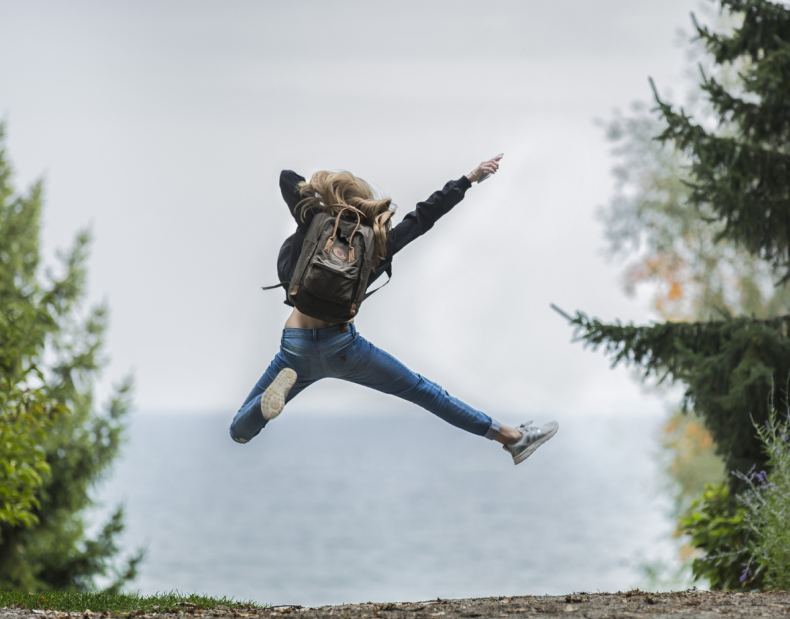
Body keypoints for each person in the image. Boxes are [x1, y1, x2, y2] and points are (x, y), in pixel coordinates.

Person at [229, 155, 558, 465]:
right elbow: (423, 217)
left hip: (295, 346)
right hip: (343, 348)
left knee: (239, 431)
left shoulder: (313, 221)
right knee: (425, 392)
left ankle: (262, 408)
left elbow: (288, 179)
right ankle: (512, 438)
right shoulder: (376, 243)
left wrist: (322, 198)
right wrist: (469, 179)